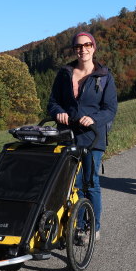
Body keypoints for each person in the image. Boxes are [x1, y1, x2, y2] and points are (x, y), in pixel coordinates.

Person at [47, 31, 118, 241]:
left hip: (93, 137)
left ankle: (92, 227)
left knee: (90, 182)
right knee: (70, 184)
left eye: (87, 45)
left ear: (94, 48)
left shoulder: (104, 77)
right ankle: (73, 226)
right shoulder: (64, 74)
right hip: (67, 135)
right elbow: (52, 102)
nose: (83, 49)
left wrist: (93, 119)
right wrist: (57, 112)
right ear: (74, 50)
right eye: (78, 46)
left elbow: (110, 109)